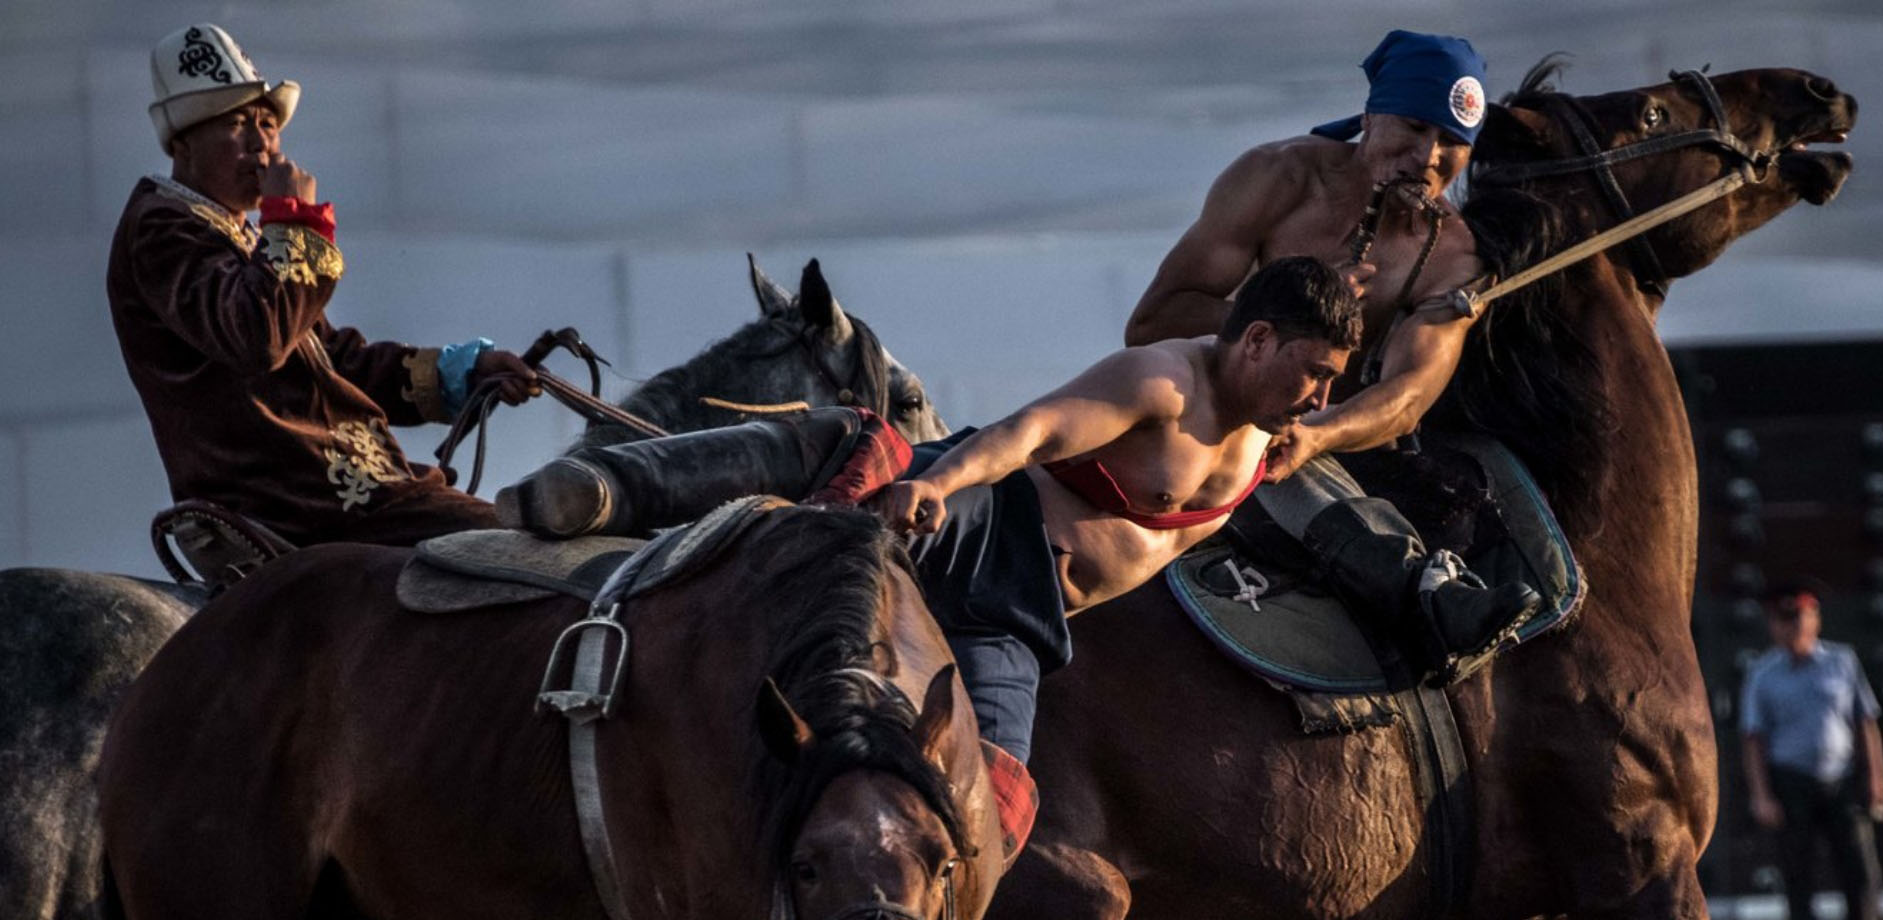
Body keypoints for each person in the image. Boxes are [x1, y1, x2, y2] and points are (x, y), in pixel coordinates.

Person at [498, 256, 1359, 778]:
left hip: (1023, 618)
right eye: (1313, 372)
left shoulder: (1271, 439)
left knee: (1000, 789)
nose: (1320, 395)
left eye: (1329, 381)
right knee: (856, 449)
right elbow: (1032, 430)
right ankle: (607, 488)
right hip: (987, 521)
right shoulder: (1161, 382)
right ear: (1255, 341)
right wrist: (942, 487)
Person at [1126, 29, 1538, 680]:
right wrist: (1289, 313)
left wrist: (1316, 435)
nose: (1429, 157)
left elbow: (1407, 397)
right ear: (1373, 114)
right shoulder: (1275, 177)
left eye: (1453, 142)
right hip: (1209, 404)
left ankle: (1423, 590)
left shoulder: (1454, 257)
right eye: (1411, 126)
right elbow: (1152, 320)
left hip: (1327, 447)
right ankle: (1417, 587)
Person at [107, 24, 538, 549]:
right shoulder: (162, 227)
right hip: (294, 501)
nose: (262, 143)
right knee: (520, 547)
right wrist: (295, 223)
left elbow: (331, 359)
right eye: (238, 122)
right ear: (183, 141)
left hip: (345, 494)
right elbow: (256, 336)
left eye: (268, 123)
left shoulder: (231, 234)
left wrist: (462, 373)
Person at [1740, 585, 1883, 920]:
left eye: (1799, 616)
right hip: (1791, 783)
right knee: (1798, 874)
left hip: (1842, 779)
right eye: (1783, 619)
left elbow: (1865, 723)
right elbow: (1753, 740)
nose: (1792, 626)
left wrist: (1876, 778)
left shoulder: (1842, 662)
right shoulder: (1762, 673)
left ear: (1815, 618)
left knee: (1859, 871)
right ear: (1773, 625)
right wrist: (1761, 795)